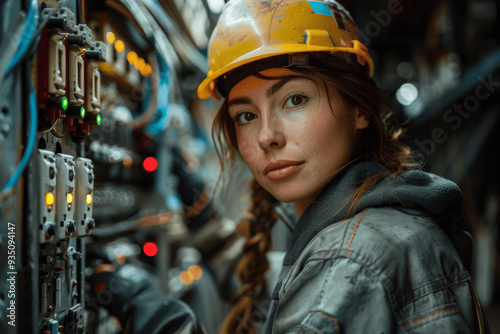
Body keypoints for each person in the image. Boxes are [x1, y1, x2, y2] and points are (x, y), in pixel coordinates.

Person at [90, 0, 491, 333]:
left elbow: (330, 284)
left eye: (295, 100)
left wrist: (151, 312)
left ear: (361, 109)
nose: (267, 136)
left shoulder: (350, 258)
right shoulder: (374, 227)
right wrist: (202, 213)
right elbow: (276, 292)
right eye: (246, 115)